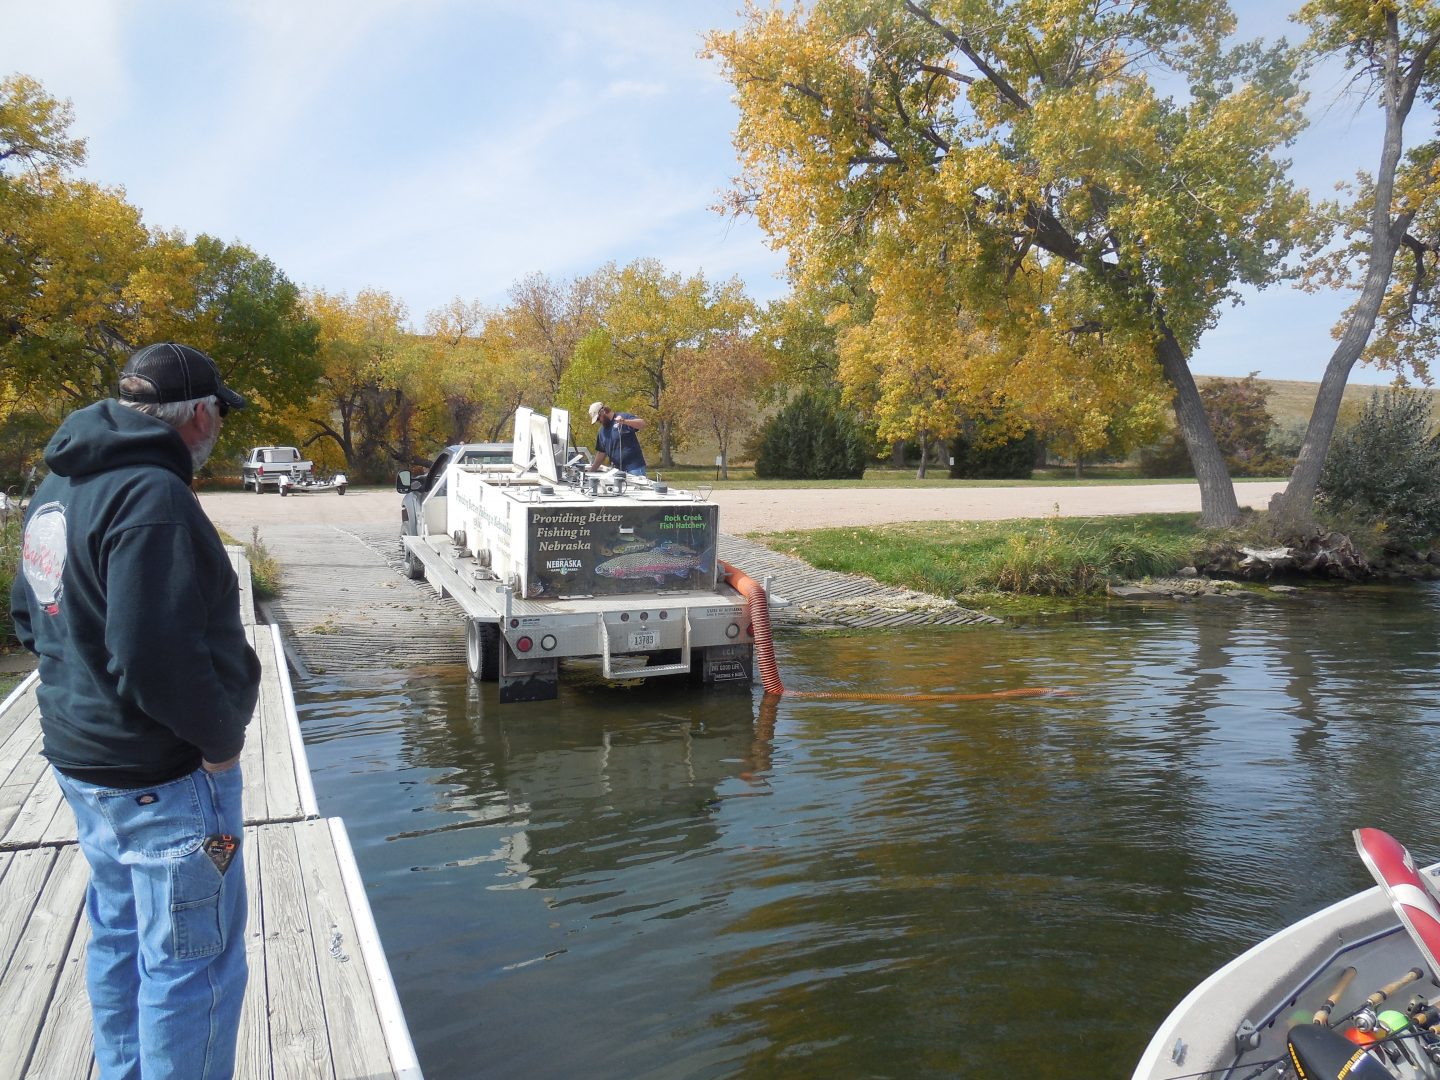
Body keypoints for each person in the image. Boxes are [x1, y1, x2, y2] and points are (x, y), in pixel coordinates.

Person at [10, 342, 260, 1080]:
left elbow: (30, 615)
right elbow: (154, 656)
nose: (221, 424)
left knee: (121, 936)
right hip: (169, 785)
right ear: (194, 415)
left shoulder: (58, 482)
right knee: (195, 961)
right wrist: (220, 745)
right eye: (219, 410)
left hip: (85, 767)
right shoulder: (153, 498)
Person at [587, 401, 649, 476]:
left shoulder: (623, 417)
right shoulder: (602, 432)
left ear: (603, 412)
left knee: (638, 488)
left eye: (598, 418)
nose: (598, 421)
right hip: (616, 471)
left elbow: (642, 424)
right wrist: (591, 471)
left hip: (634, 468)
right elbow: (601, 453)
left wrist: (625, 421)